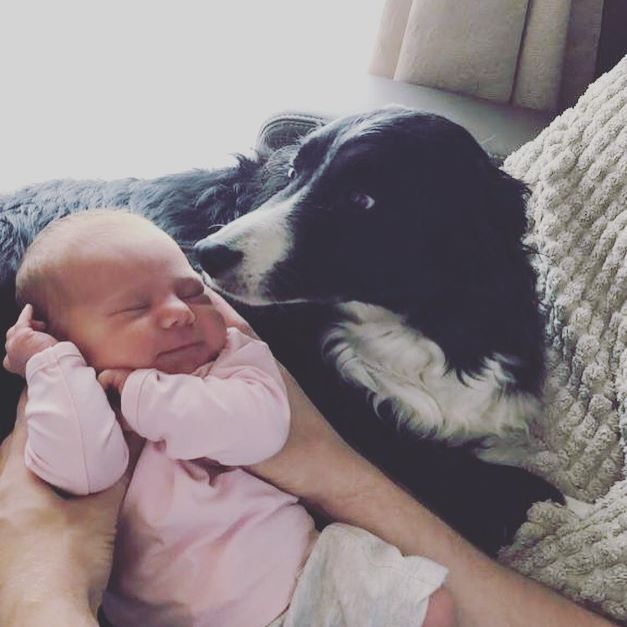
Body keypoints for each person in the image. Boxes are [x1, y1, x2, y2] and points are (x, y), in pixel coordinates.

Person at [1, 209, 452, 627]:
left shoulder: (230, 362)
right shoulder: (76, 405)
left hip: (309, 577)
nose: (179, 312)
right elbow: (83, 471)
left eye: (192, 294)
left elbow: (261, 429)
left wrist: (143, 393)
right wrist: (51, 367)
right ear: (63, 337)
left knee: (430, 604)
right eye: (136, 308)